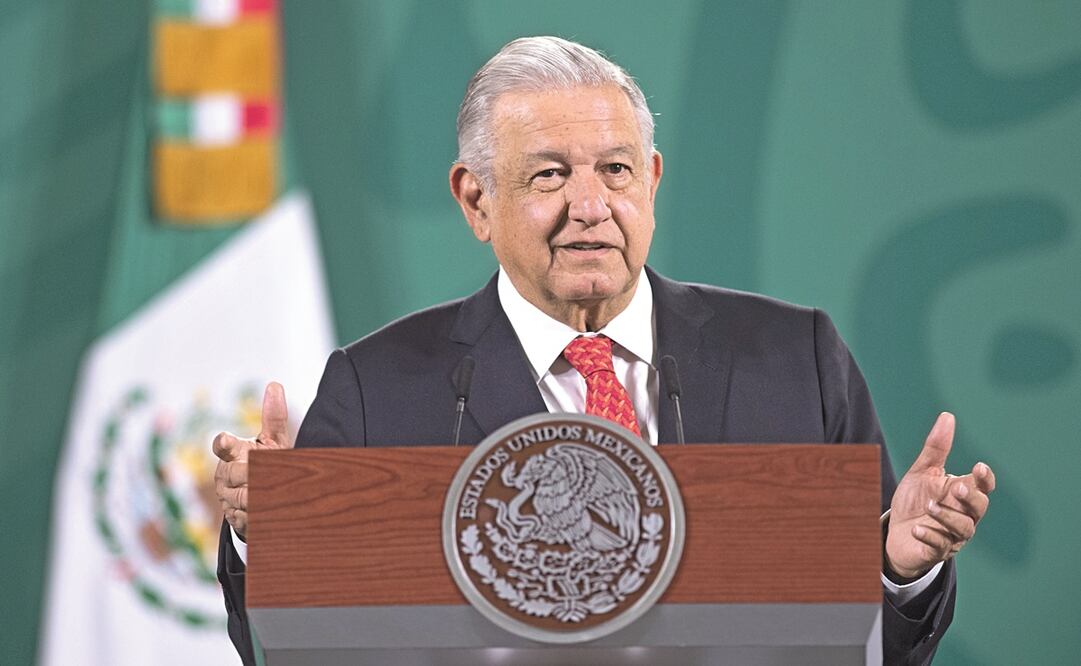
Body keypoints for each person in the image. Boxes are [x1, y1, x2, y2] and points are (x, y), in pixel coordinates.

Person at [213, 36, 995, 665]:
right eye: (549, 175)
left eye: (614, 171)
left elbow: (870, 652)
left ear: (649, 181)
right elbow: (300, 650)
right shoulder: (376, 389)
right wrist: (273, 540)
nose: (590, 206)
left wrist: (897, 567)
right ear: (476, 200)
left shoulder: (795, 360)